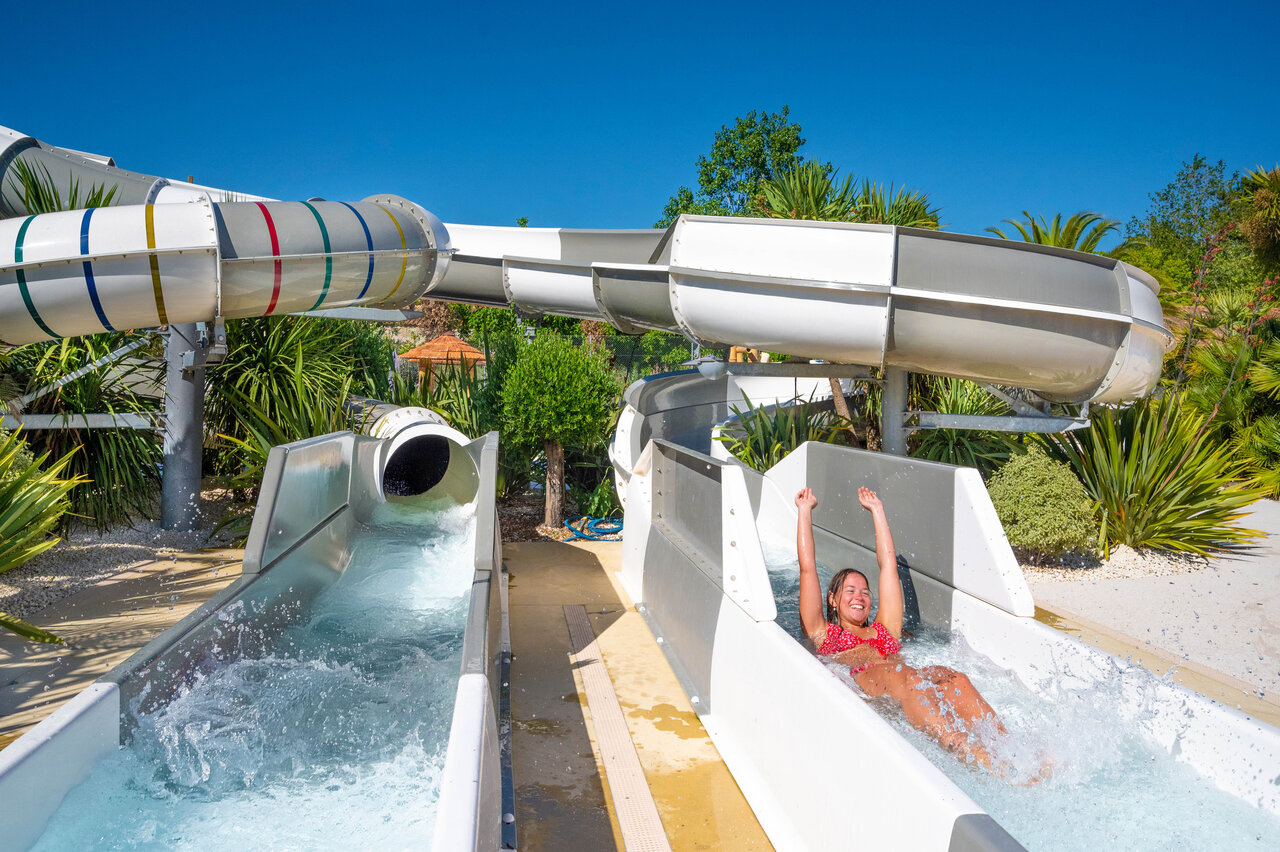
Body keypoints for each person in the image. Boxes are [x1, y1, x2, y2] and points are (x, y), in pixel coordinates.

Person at [795, 485, 1011, 773]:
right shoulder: (824, 633)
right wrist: (804, 512)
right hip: (869, 683)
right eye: (849, 590)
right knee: (906, 675)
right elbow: (807, 567)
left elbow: (888, 568)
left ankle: (1007, 748)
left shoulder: (885, 629)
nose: (859, 596)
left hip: (907, 681)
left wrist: (878, 511)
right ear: (832, 599)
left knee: (954, 678)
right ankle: (967, 750)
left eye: (864, 592)